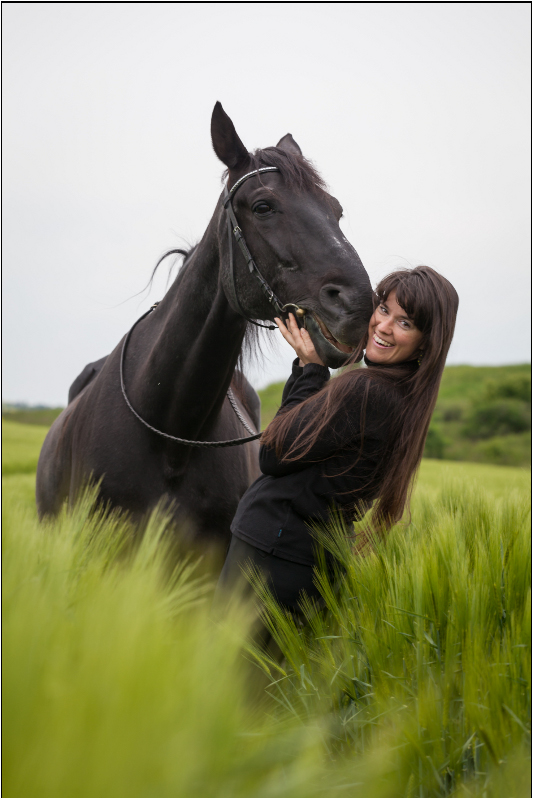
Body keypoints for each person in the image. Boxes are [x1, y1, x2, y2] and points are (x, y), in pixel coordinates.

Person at [214, 266, 459, 614]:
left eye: (405, 323)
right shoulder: (404, 399)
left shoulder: (364, 389)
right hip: (313, 558)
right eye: (384, 309)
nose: (384, 326)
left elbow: (272, 454)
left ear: (426, 342)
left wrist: (310, 368)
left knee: (227, 665)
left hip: (273, 551)